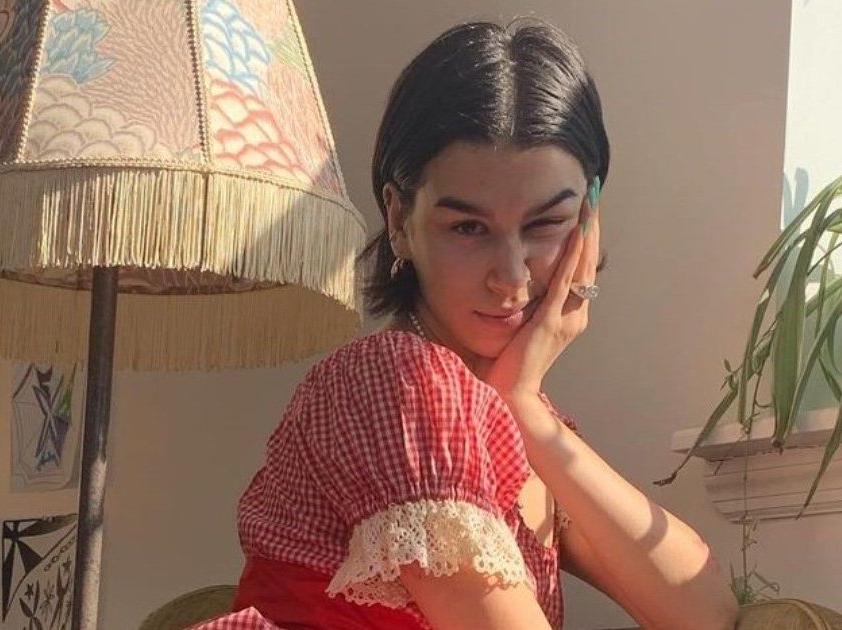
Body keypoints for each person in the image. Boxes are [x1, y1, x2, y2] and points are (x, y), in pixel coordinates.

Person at [192, 17, 739, 630]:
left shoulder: (513, 418)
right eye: (468, 228)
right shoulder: (395, 381)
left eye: (545, 224)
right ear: (399, 220)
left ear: (588, 226)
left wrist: (524, 407)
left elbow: (706, 613)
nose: (510, 275)